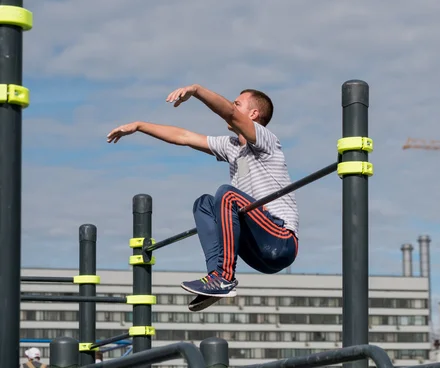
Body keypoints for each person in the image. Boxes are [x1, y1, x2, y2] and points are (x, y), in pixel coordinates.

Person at [107, 84, 299, 309]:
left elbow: (228, 112)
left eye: (238, 103)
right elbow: (184, 136)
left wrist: (197, 91)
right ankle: (216, 277)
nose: (232, 105)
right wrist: (140, 126)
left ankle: (224, 278)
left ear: (253, 114)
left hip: (280, 239)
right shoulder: (231, 147)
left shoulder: (266, 140)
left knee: (226, 195)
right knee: (204, 204)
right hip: (258, 249)